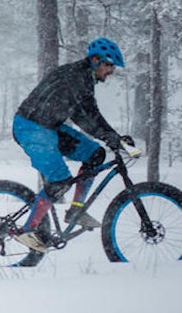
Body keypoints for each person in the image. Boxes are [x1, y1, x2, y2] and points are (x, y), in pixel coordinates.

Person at [11, 37, 138, 252]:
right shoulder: (75, 77)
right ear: (96, 60)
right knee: (60, 181)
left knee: (95, 155)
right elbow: (85, 116)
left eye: (112, 67)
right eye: (109, 65)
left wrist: (113, 136)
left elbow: (90, 113)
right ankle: (27, 230)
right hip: (30, 127)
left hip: (50, 127)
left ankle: (76, 211)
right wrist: (110, 136)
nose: (111, 71)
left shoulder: (84, 78)